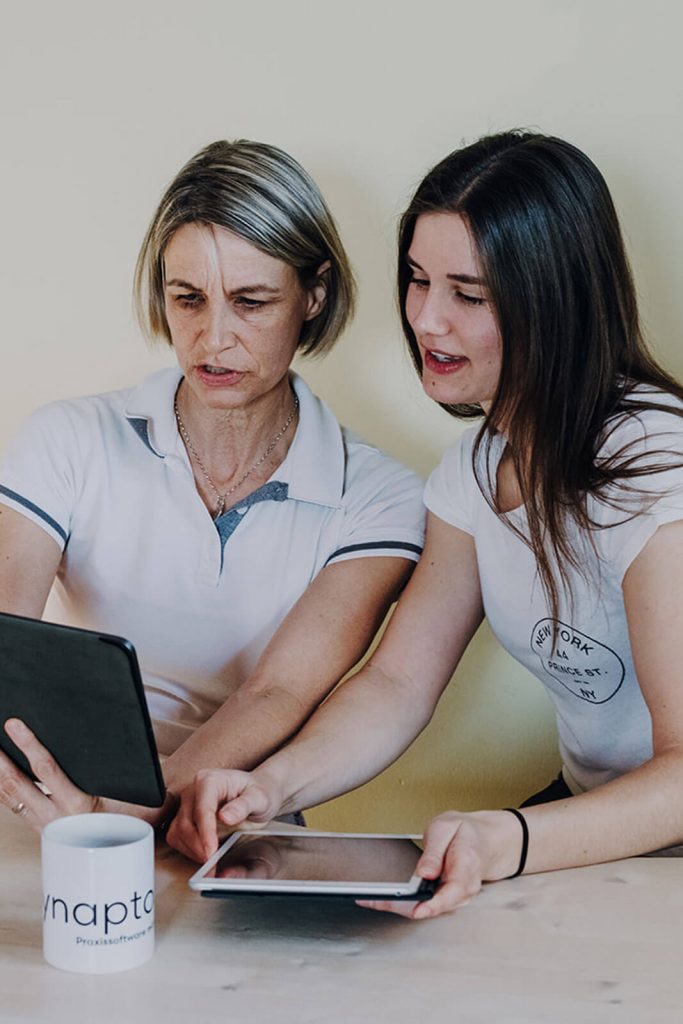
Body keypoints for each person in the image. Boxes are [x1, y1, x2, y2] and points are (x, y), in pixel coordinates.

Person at [174, 130, 683, 911]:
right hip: (601, 821)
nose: (427, 321)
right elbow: (396, 680)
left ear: (552, 301)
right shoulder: (474, 472)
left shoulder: (654, 463)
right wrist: (268, 786)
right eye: (417, 281)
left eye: (468, 295)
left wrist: (507, 840)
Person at [0, 140, 425, 835]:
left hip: (224, 816)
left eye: (251, 301)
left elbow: (278, 691)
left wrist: (132, 809)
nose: (211, 338)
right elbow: (7, 645)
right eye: (187, 299)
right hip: (54, 798)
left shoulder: (379, 497)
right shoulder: (68, 438)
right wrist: (74, 807)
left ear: (314, 293)